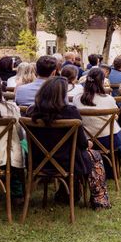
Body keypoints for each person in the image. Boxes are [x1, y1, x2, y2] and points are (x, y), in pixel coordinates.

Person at [26, 77, 110, 209]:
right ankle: (99, 199)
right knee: (94, 155)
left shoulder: (32, 111)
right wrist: (88, 144)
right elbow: (82, 143)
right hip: (67, 161)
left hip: (37, 160)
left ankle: (68, 194)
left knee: (76, 152)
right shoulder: (70, 112)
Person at [73, 68, 121, 178]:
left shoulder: (77, 99)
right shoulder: (108, 99)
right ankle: (114, 163)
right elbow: (115, 117)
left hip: (86, 139)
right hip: (106, 139)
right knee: (116, 127)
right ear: (102, 82)